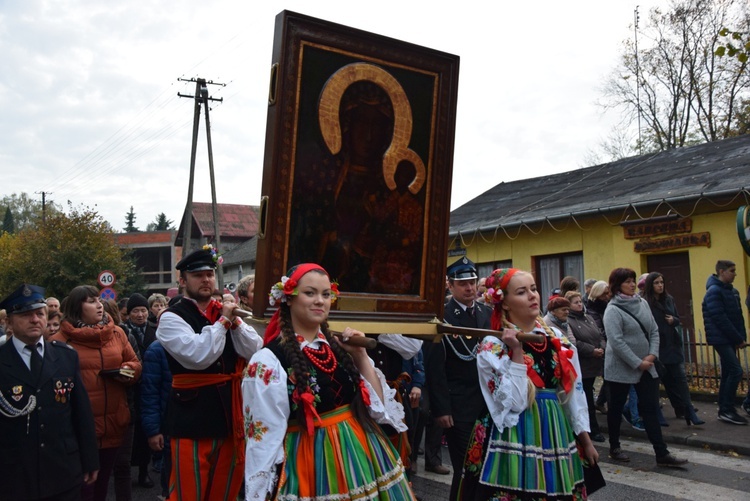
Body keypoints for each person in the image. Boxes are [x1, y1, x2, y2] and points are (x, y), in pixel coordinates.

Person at [241, 263, 415, 500]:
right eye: (309, 293)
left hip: (362, 455)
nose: (319, 301)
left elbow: (378, 408)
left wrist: (360, 356)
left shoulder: (339, 348)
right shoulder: (267, 362)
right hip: (311, 462)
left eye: (325, 294)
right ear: (288, 298)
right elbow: (263, 440)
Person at [458, 268, 597, 500]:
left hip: (555, 430)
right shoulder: (492, 346)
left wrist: (586, 440)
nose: (533, 295)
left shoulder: (555, 338)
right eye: (522, 292)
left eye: (533, 289)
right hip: (514, 432)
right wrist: (516, 351)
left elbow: (573, 394)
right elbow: (516, 402)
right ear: (505, 303)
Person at [156, 246, 263, 500]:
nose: (206, 280)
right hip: (190, 419)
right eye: (198, 275)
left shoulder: (223, 312)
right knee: (188, 493)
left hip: (228, 418)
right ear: (182, 281)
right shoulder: (171, 318)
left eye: (210, 274)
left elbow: (254, 349)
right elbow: (199, 356)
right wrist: (224, 321)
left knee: (225, 492)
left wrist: (234, 321)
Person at [0, 284, 99, 500]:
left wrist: (90, 459)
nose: (35, 320)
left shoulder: (66, 356)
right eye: (26, 315)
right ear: (8, 322)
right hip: (14, 475)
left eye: (39, 313)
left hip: (62, 470)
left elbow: (81, 413)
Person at [50, 285, 142, 500]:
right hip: (79, 428)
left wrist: (127, 371)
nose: (99, 305)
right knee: (82, 487)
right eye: (91, 301)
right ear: (76, 307)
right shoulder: (58, 341)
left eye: (99, 300)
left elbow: (136, 363)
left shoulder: (117, 333)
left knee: (101, 485)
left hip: (113, 422)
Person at [602, 267, 687, 466]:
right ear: (617, 286)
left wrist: (652, 355)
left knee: (650, 408)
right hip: (620, 368)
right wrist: (637, 362)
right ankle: (615, 446)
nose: (632, 284)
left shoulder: (642, 303)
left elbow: (654, 331)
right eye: (627, 281)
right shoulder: (612, 309)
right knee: (615, 408)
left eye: (633, 280)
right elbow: (616, 341)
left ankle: (662, 453)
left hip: (647, 365)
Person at [426, 257, 491, 499]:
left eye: (473, 282)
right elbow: (435, 368)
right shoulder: (442, 317)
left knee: (485, 466)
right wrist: (442, 409)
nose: (470, 288)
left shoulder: (486, 312)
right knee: (466, 467)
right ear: (450, 286)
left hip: (487, 404)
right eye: (463, 284)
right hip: (459, 405)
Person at [643, 272, 704, 425]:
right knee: (657, 381)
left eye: (662, 282)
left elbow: (677, 317)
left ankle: (688, 410)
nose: (660, 285)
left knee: (680, 379)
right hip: (657, 347)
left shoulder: (669, 299)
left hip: (672, 344)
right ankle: (657, 412)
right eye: (656, 283)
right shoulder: (645, 302)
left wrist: (674, 320)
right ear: (651, 285)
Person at [702, 259, 748, 425]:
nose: (735, 274)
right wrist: (737, 337)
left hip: (729, 337)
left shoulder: (731, 291)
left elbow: (737, 316)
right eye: (732, 271)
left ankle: (725, 409)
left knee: (729, 372)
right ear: (722, 272)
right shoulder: (714, 291)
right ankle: (727, 409)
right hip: (721, 338)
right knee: (736, 371)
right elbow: (720, 318)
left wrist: (741, 337)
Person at [566, 290, 606, 442]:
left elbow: (600, 334)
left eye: (580, 301)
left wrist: (602, 347)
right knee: (587, 400)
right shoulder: (569, 321)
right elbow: (574, 342)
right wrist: (591, 350)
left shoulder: (588, 317)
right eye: (576, 302)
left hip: (596, 362)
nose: (579, 304)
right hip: (584, 365)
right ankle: (592, 430)